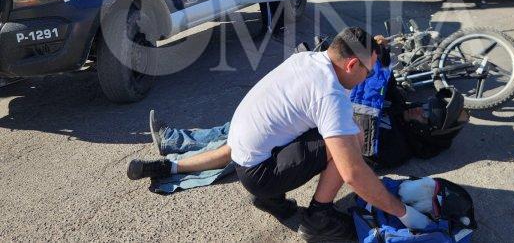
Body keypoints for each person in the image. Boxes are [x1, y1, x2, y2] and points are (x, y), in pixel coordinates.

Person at [127, 27, 430, 242]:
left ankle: (168, 166)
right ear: (351, 64)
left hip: (242, 147)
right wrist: (402, 213)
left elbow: (231, 150)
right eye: (367, 70)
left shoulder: (307, 60)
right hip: (260, 174)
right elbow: (352, 173)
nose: (368, 76)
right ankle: (318, 218)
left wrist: (173, 166)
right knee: (350, 140)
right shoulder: (329, 95)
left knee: (335, 131)